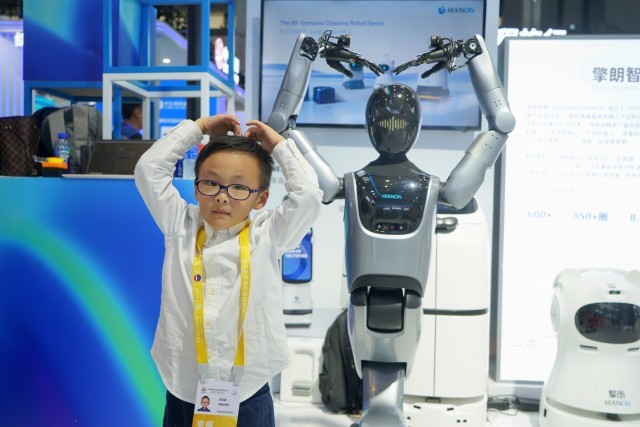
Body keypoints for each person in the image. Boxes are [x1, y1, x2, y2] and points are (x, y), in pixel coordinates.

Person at [134, 114, 322, 427]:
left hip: (247, 391)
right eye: (211, 183)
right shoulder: (180, 225)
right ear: (196, 189)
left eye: (238, 187)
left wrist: (278, 145)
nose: (222, 196)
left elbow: (309, 196)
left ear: (261, 199)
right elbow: (148, 170)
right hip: (184, 389)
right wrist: (200, 128)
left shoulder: (268, 234)